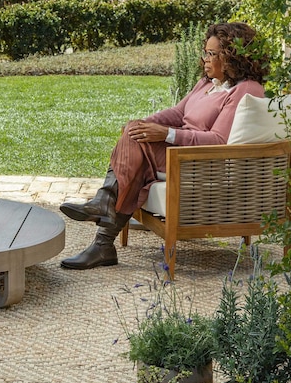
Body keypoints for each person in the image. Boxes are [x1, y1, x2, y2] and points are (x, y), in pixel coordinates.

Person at [59, 22, 269, 270]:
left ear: (233, 56)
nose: (205, 60)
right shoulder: (207, 83)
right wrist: (145, 123)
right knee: (135, 135)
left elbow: (218, 140)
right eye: (206, 52)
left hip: (198, 161)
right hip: (177, 151)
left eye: (213, 54)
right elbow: (178, 112)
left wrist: (166, 134)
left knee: (136, 143)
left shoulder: (245, 89)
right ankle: (103, 238)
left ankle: (104, 218)